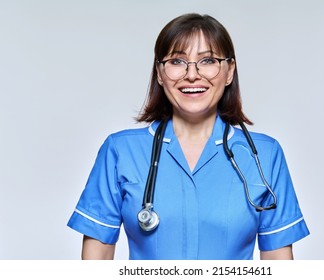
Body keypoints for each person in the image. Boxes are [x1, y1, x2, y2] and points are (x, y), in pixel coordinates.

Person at [67, 13, 310, 260]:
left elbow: (278, 265)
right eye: (176, 61)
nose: (192, 75)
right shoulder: (120, 151)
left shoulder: (265, 155)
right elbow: (96, 259)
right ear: (160, 73)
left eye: (208, 60)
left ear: (229, 72)